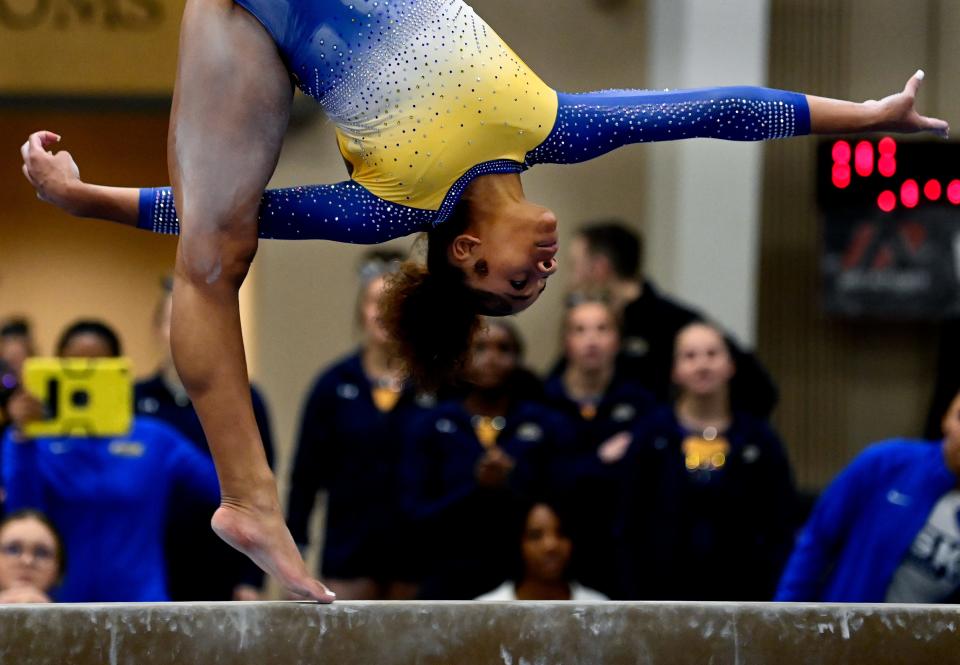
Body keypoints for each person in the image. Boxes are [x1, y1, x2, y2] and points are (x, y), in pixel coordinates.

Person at [19, 0, 947, 599]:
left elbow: (243, 211)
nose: (541, 267)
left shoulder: (391, 201)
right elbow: (710, 110)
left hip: (248, 20)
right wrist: (861, 117)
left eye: (515, 281)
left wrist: (84, 198)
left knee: (215, 247)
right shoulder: (553, 124)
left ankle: (250, 499)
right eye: (539, 284)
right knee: (217, 241)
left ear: (464, 254)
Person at [2, 320, 220, 602]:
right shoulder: (31, 440)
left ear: (120, 373)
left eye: (98, 369)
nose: (85, 382)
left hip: (142, 606)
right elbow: (22, 516)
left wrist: (216, 396)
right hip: (60, 607)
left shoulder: (155, 438)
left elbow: (224, 491)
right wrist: (23, 438)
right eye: (74, 369)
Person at [287, 251, 430, 600]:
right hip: (349, 552)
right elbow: (305, 478)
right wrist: (295, 557)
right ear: (361, 312)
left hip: (417, 554)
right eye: (373, 303)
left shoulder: (433, 384)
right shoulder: (334, 385)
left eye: (392, 303)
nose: (382, 313)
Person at [619, 322, 796, 601]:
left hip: (744, 595)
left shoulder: (760, 440)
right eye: (690, 356)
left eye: (712, 354)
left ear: (731, 365)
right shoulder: (650, 435)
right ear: (675, 370)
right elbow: (628, 522)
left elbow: (781, 523)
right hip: (661, 596)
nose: (702, 365)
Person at [401, 319, 563, 599]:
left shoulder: (544, 424)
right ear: (462, 358)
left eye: (503, 349)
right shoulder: (433, 424)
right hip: (448, 574)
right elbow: (413, 513)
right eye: (480, 348)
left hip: (520, 580)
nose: (491, 359)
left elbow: (559, 502)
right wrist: (476, 487)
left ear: (518, 358)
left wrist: (510, 483)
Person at [135, 279, 274, 601]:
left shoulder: (246, 399)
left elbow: (264, 489)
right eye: (173, 322)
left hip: (222, 564)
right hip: (151, 563)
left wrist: (253, 578)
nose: (184, 333)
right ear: (157, 329)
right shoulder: (134, 400)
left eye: (193, 322)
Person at [566, 222, 779, 417]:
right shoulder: (589, 329)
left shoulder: (674, 322)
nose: (572, 280)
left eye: (575, 266)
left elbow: (760, 390)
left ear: (600, 268)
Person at [776, 390, 960, 603]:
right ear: (945, 420)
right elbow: (817, 539)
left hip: (930, 634)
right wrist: (787, 615)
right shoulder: (888, 462)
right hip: (847, 627)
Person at [544, 295, 656, 597]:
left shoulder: (641, 404)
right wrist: (599, 460)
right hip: (557, 547)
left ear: (618, 340)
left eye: (602, 329)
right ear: (566, 342)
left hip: (622, 549)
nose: (591, 340)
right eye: (580, 330)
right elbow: (544, 479)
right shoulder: (541, 401)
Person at [476, 500, 607, 602]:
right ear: (518, 542)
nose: (551, 546)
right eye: (535, 536)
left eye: (561, 533)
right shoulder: (486, 609)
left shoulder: (599, 607)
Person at [0, 510, 64, 604]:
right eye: (13, 550)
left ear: (58, 567)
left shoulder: (79, 618)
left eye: (41, 553)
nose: (27, 561)